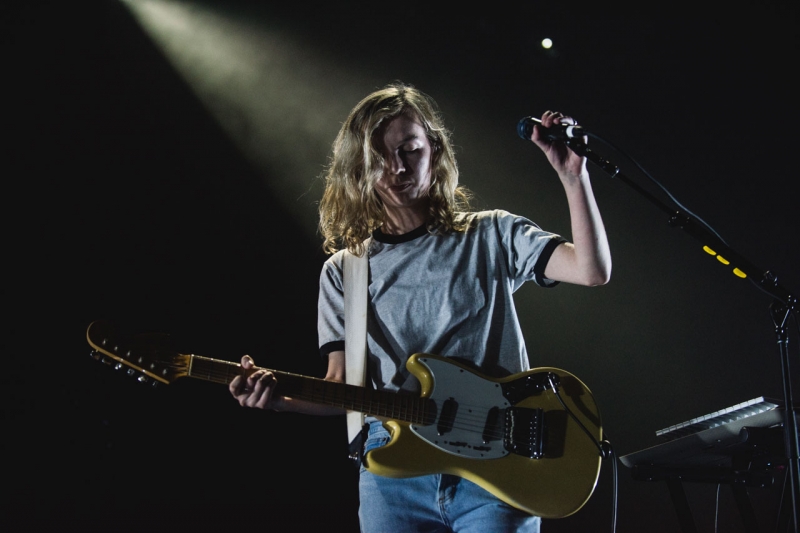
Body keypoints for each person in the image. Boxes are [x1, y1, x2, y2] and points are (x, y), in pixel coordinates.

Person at [229, 82, 611, 532]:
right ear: (358, 168)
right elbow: (343, 386)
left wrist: (573, 177)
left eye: (409, 150)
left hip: (498, 462)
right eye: (379, 158)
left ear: (434, 149)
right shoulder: (343, 271)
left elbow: (591, 269)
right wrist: (279, 401)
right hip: (395, 474)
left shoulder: (490, 234)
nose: (397, 167)